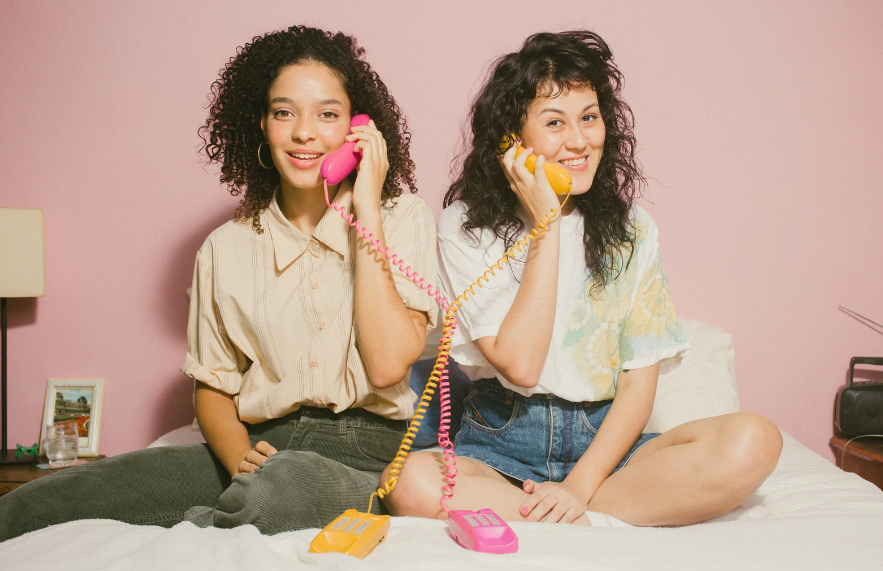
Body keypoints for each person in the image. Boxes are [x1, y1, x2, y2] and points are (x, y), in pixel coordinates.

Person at [0, 25, 436, 541]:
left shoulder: (400, 217)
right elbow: (212, 388)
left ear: (358, 129)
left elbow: (388, 366)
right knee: (52, 499)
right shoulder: (223, 248)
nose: (303, 133)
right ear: (262, 125)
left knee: (279, 492)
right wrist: (238, 459)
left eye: (327, 114)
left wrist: (367, 208)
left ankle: (202, 532)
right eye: (283, 112)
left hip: (365, 453)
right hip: (258, 444)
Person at [382, 30, 782, 527]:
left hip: (607, 451)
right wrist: (545, 225)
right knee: (409, 482)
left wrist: (580, 485)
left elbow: (638, 383)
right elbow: (522, 367)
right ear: (512, 139)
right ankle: (584, 520)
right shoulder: (465, 226)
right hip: (502, 444)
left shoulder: (632, 229)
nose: (579, 140)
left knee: (756, 440)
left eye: (589, 118)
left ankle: (576, 512)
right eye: (555, 123)